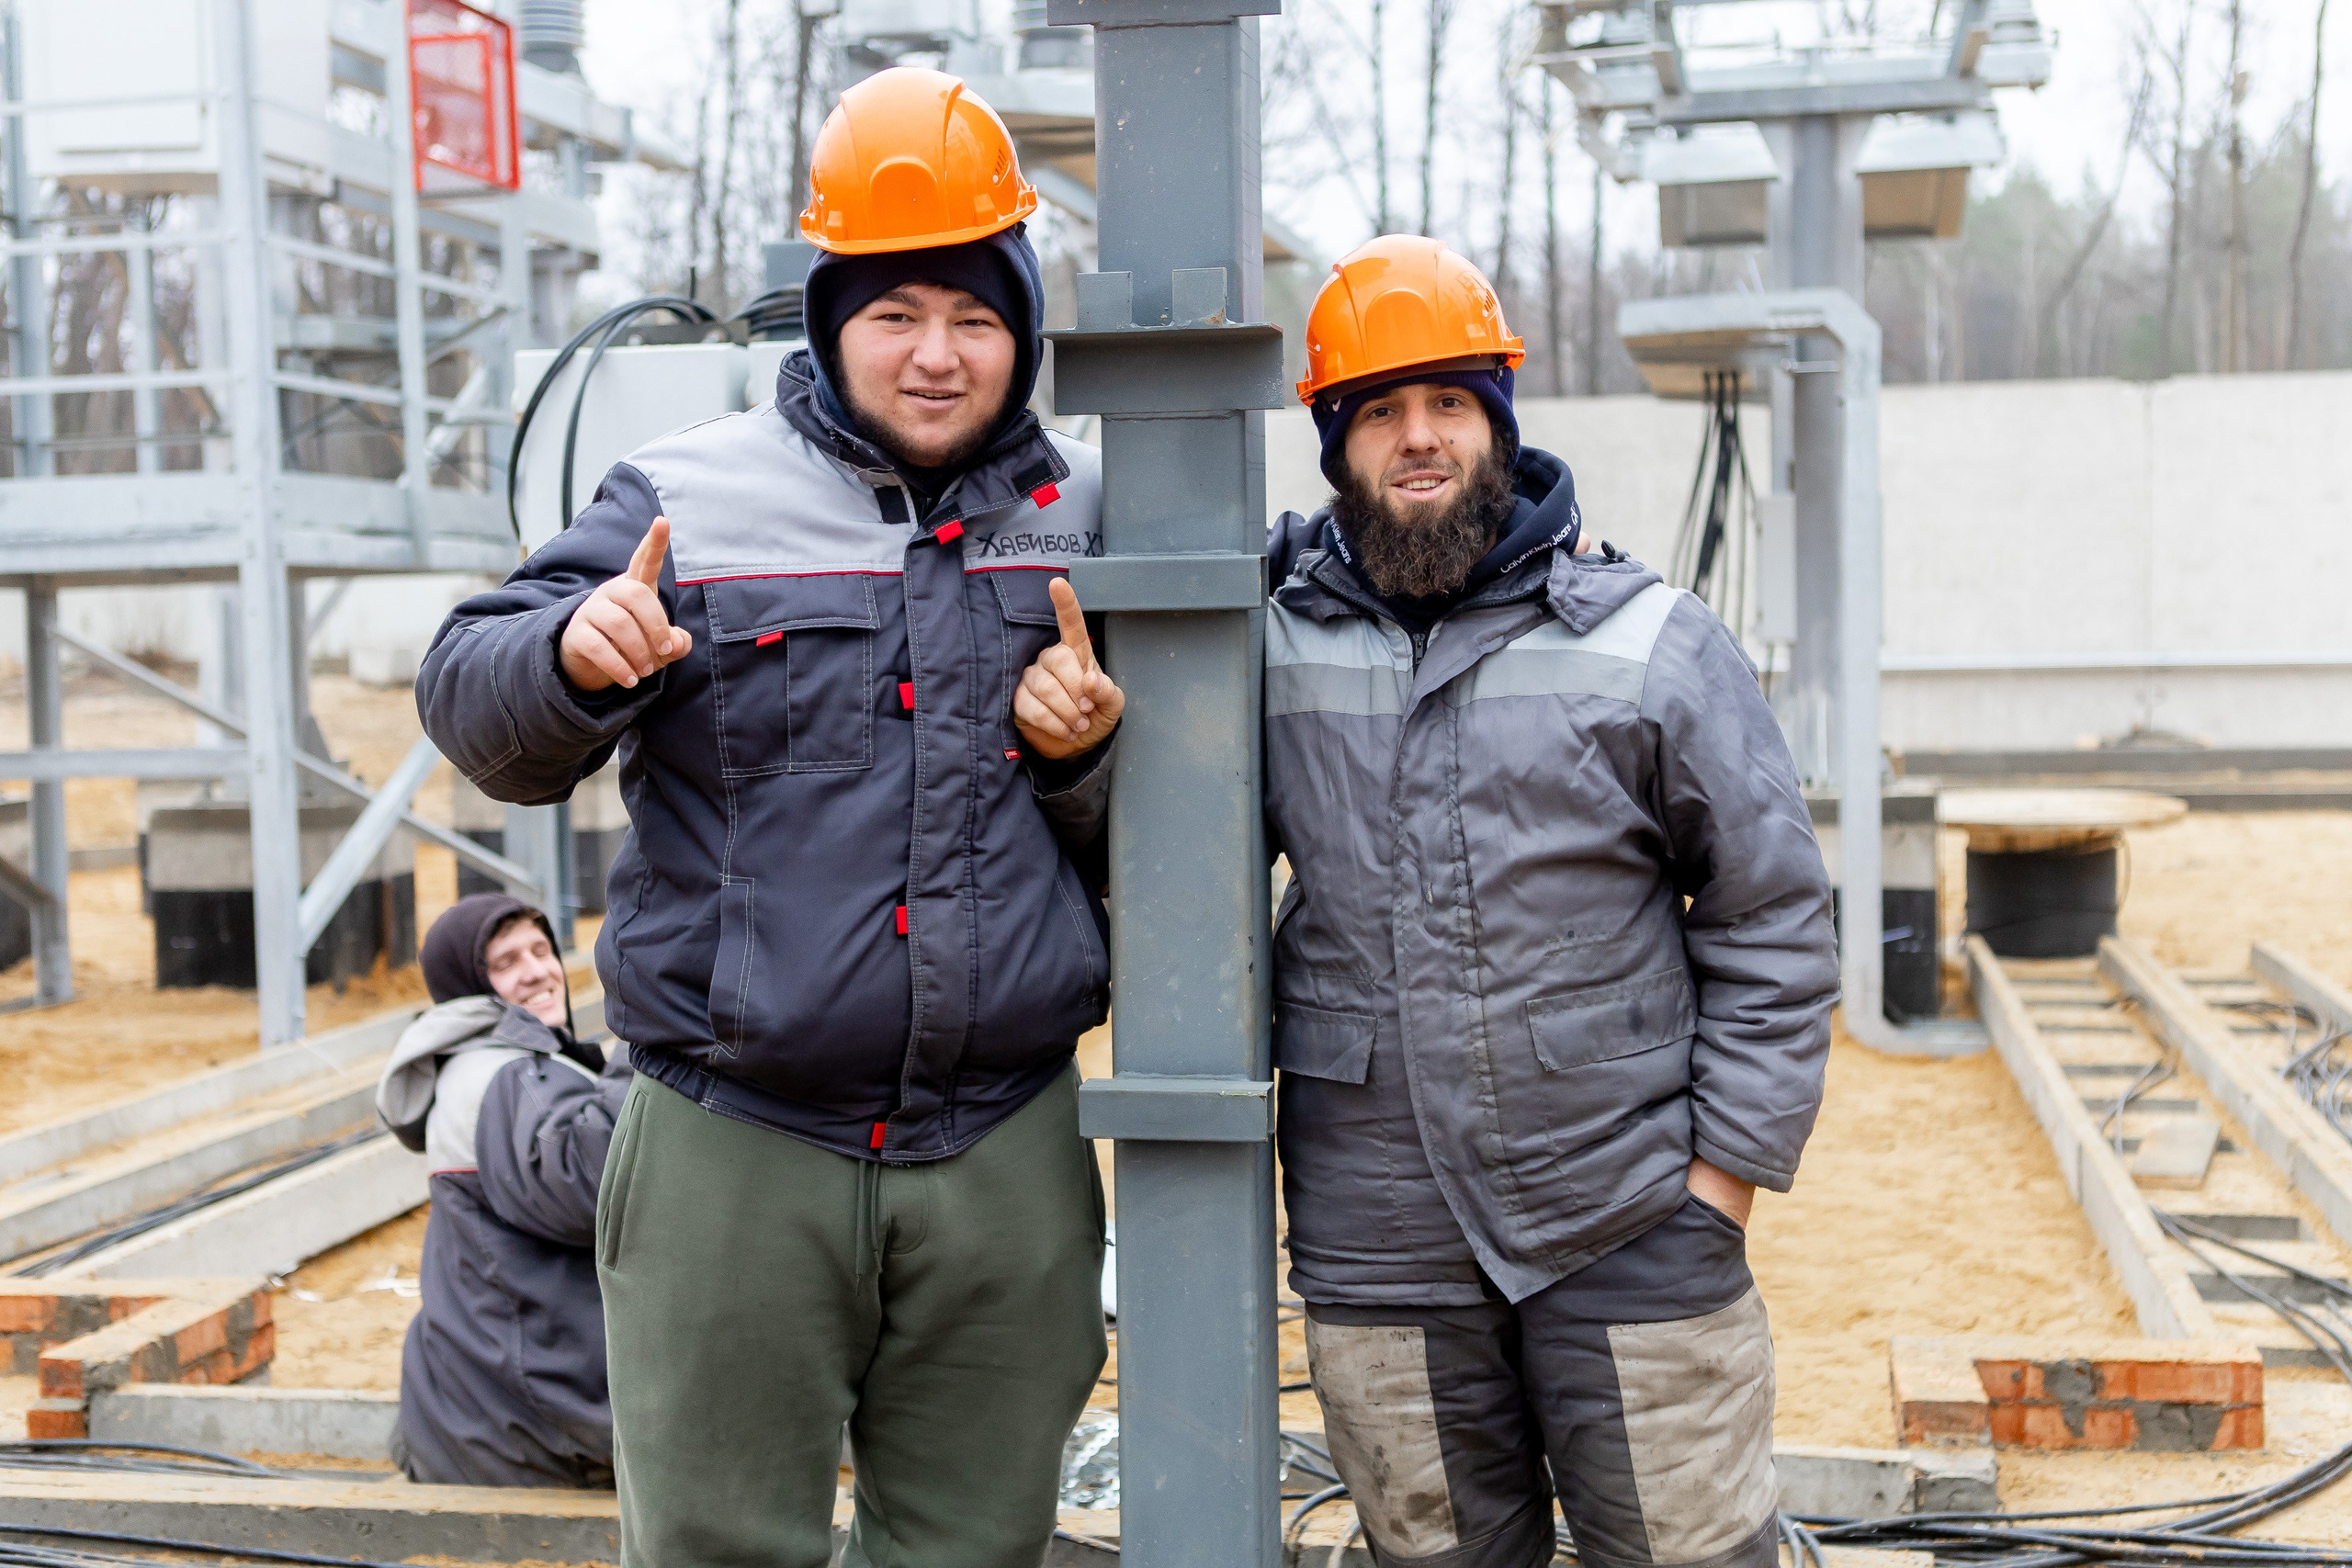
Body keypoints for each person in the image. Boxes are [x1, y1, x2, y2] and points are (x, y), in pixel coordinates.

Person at [414, 67, 1118, 1567]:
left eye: (977, 318)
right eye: (896, 315)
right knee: (718, 1550)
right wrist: (567, 658)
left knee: (977, 1547)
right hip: (737, 1141)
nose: (937, 357)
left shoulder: (1091, 516)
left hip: (1004, 1147)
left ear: (1027, 332)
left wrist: (1081, 762)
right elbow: (471, 696)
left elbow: (1192, 808)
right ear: (829, 317)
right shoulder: (688, 501)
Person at [1263, 235, 1838, 1568]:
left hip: (1631, 1213)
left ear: (1500, 421)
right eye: (1382, 411)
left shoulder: (1648, 640)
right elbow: (1143, 837)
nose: (1420, 438)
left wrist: (1723, 1184)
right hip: (1379, 1232)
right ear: (1336, 443)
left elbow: (1772, 912)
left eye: (1449, 402)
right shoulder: (1268, 636)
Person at [374, 892, 630, 1489]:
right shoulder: (500, 1077)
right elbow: (594, 1186)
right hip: (529, 1428)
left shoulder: (509, 1067)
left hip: (481, 1409)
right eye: (507, 960)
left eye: (542, 949)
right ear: (469, 986)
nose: (538, 970)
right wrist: (645, 1044)